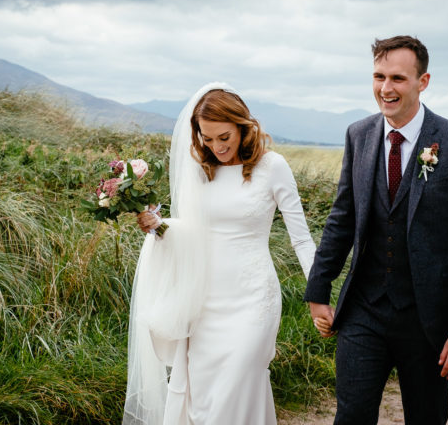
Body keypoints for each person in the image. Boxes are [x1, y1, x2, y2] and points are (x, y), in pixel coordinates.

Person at [304, 36, 448, 424]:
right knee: (352, 415)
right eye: (378, 76)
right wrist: (318, 289)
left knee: (425, 418)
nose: (385, 88)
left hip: (427, 320)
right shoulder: (358, 135)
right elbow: (342, 217)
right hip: (363, 310)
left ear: (422, 81)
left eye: (397, 78)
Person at [123, 82, 317, 424]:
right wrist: (159, 225)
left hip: (253, 299)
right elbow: (194, 233)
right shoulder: (202, 169)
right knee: (206, 401)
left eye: (224, 137)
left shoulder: (273, 167)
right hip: (205, 301)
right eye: (207, 138)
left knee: (238, 385)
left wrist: (319, 293)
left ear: (243, 126)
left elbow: (301, 238)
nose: (216, 146)